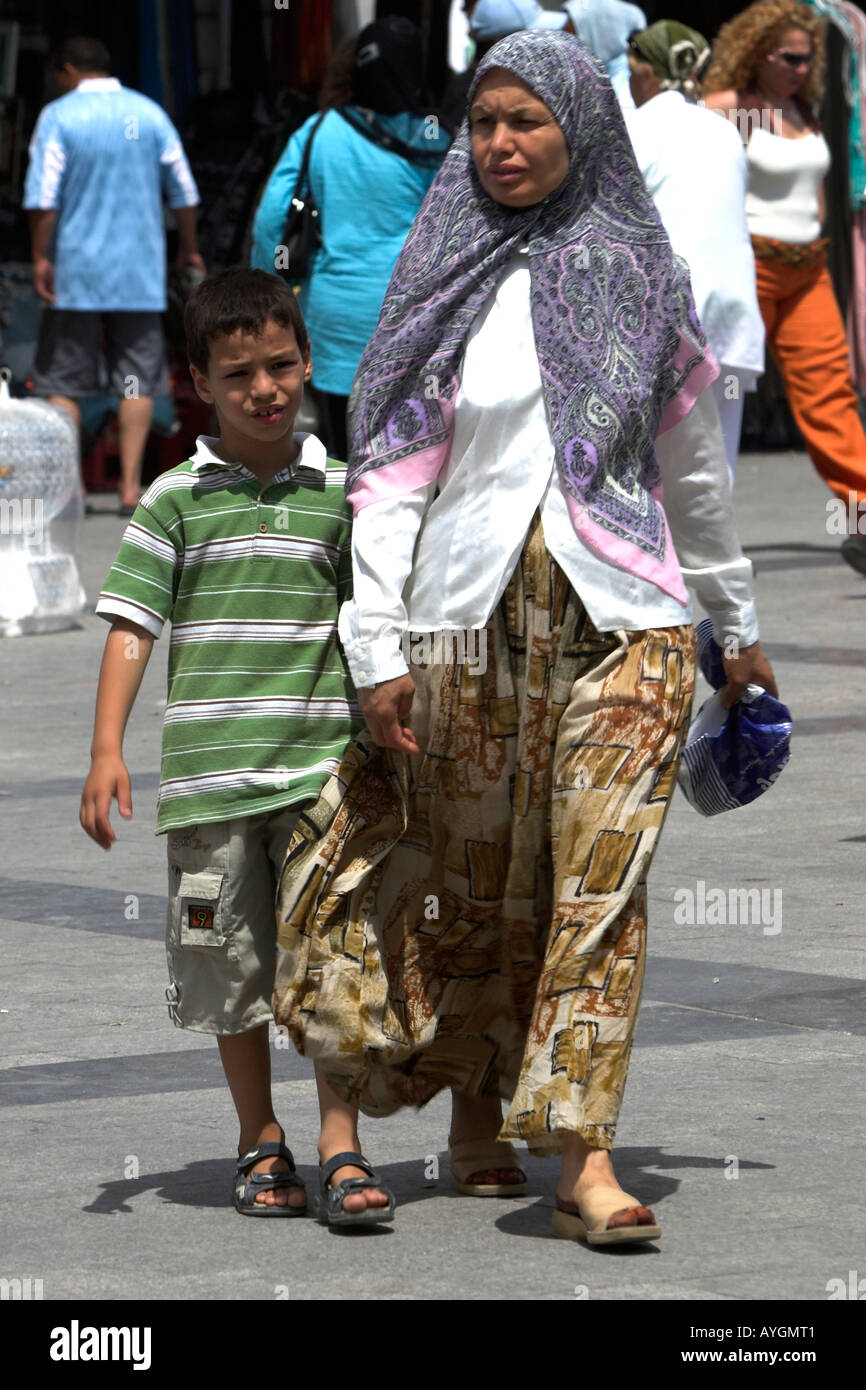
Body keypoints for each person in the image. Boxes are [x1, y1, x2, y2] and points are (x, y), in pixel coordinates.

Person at [272, 31, 778, 1245]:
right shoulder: (438, 273)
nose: (499, 144)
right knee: (478, 884)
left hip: (628, 619)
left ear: (579, 127)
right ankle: (475, 1113)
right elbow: (387, 478)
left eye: (524, 122)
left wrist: (737, 624)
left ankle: (585, 1162)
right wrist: (378, 645)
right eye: (482, 123)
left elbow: (688, 471)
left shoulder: (638, 274)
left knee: (598, 880)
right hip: (462, 623)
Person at [79, 268, 394, 1226]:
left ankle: (341, 1144)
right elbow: (132, 624)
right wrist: (105, 749)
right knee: (232, 970)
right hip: (212, 788)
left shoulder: (345, 492)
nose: (265, 388)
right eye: (240, 373)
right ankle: (262, 1138)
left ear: (309, 360)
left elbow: (375, 618)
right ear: (200, 382)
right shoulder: (174, 500)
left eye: (282, 365)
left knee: (339, 956)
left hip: (323, 773)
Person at [704, 0, 866, 575]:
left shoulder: (804, 109)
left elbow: (811, 186)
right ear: (757, 53)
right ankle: (681, 523)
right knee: (715, 395)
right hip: (750, 266)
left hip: (808, 269)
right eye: (790, 57)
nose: (802, 68)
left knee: (830, 392)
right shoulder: (727, 108)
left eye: (808, 58)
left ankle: (864, 514)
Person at [251, 15, 450, 461]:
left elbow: (271, 221)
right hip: (418, 320)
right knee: (412, 456)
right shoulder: (439, 140)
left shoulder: (320, 131)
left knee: (345, 457)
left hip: (336, 322)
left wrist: (273, 287)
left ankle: (350, 528)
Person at [23, 36, 204, 515]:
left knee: (63, 380)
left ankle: (73, 488)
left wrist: (41, 256)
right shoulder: (149, 115)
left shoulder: (58, 117)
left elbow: (44, 196)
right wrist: (188, 248)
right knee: (136, 379)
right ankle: (128, 487)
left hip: (74, 273)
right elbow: (183, 191)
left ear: (66, 71)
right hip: (137, 273)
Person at [625, 21, 765, 477]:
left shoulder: (636, 129)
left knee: (657, 470)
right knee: (714, 467)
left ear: (649, 72)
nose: (628, 80)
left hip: (671, 316)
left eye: (632, 68)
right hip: (729, 313)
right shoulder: (723, 131)